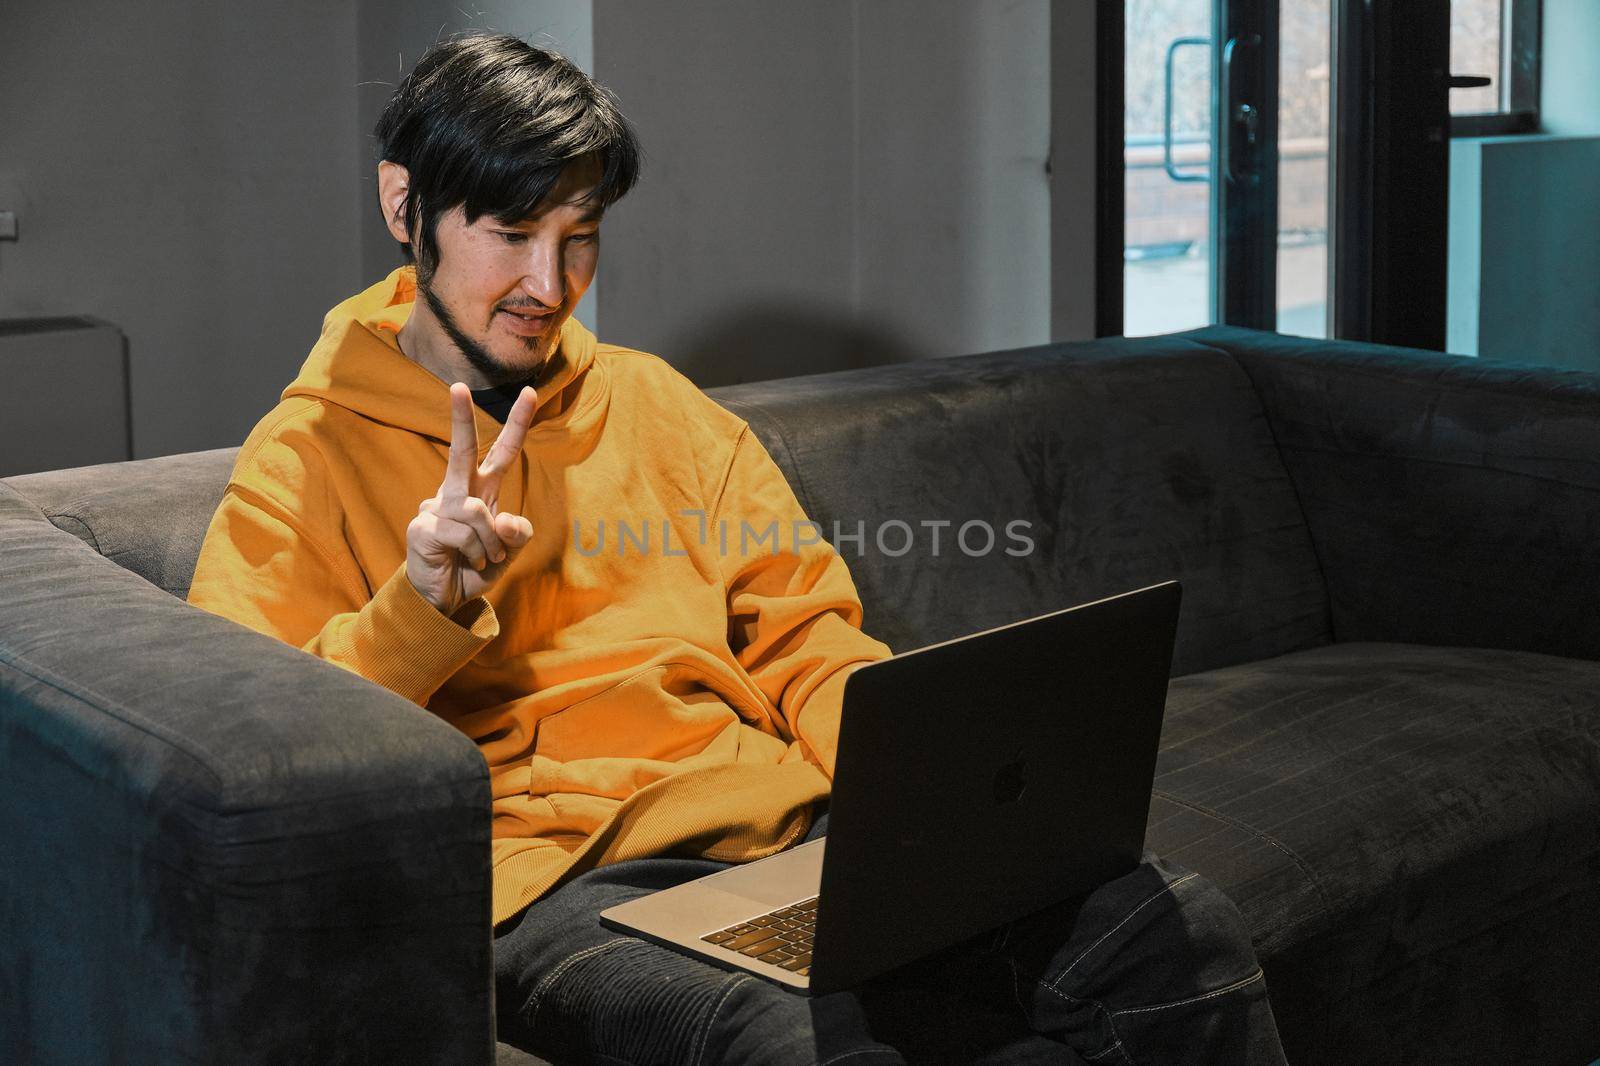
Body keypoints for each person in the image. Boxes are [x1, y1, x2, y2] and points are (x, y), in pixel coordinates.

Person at [188, 32, 1287, 1065]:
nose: (549, 284)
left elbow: (807, 631)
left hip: (782, 831)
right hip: (550, 887)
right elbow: (256, 764)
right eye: (510, 233)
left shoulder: (657, 406)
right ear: (404, 205)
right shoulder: (305, 451)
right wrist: (418, 603)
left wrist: (909, 795)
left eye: (580, 237)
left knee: (1171, 930)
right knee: (791, 1041)